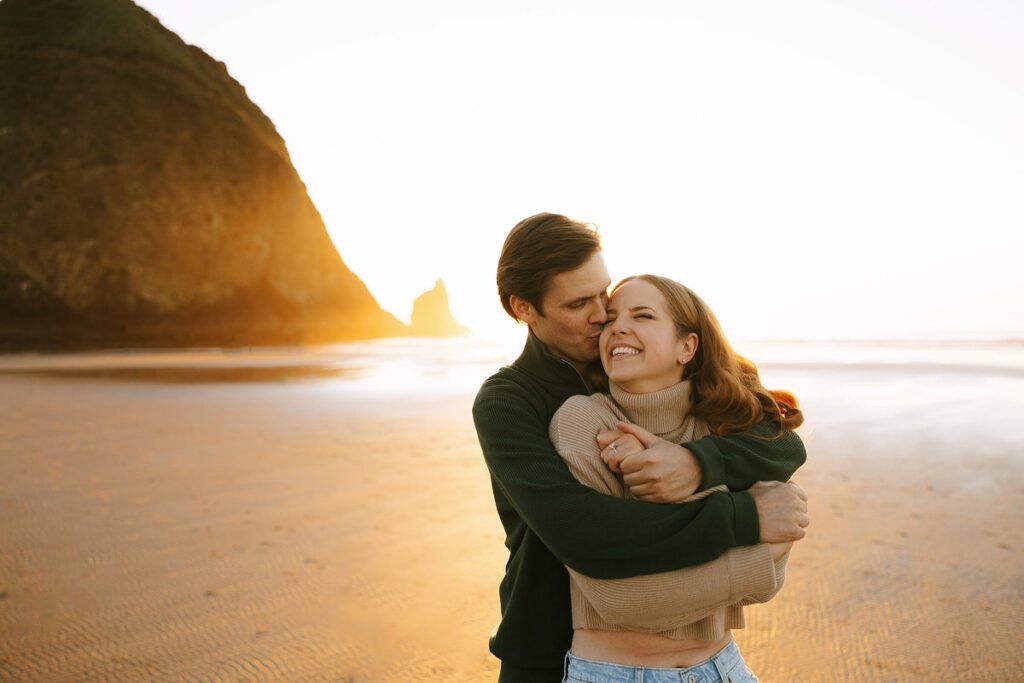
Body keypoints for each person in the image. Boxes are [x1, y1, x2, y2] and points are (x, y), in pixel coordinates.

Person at [473, 213, 809, 683]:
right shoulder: (508, 401)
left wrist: (696, 463)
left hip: (707, 657)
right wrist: (746, 519)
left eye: (602, 294)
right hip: (549, 651)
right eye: (578, 304)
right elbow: (585, 533)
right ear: (524, 309)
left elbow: (779, 440)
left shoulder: (634, 358)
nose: (602, 316)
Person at [550, 273, 805, 682]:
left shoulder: (722, 427)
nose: (617, 327)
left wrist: (691, 471)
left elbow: (768, 586)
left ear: (687, 346)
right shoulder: (585, 420)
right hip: (615, 673)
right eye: (611, 319)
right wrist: (759, 552)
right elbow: (619, 599)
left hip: (724, 668)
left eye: (643, 315)